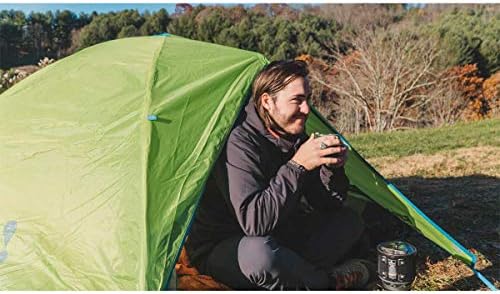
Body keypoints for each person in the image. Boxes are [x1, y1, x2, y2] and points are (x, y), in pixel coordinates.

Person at [185, 60, 374, 290]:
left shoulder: (295, 135)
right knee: (262, 256)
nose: (306, 110)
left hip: (281, 231)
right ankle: (328, 282)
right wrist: (297, 166)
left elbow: (326, 204)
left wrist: (332, 169)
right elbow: (254, 223)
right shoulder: (239, 141)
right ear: (267, 101)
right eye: (297, 100)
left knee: (349, 221)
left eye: (307, 99)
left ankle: (297, 274)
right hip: (226, 245)